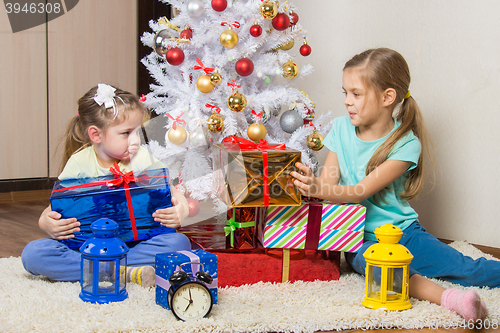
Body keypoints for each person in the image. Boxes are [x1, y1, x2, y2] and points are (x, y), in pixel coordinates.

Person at [292, 48, 500, 322]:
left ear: (388, 97)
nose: (346, 101)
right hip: (359, 240)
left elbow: (360, 192)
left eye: (356, 94)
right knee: (389, 273)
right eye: (345, 92)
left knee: (466, 268)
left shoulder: (406, 143)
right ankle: (452, 300)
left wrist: (318, 188)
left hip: (405, 233)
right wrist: (310, 183)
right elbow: (328, 185)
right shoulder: (341, 129)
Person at [21, 84, 191, 288]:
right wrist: (46, 223)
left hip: (135, 244)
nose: (136, 140)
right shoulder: (79, 163)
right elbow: (58, 206)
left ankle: (94, 271)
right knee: (34, 254)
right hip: (86, 247)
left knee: (178, 244)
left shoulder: (142, 157)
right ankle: (122, 272)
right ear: (96, 135)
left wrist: (181, 209)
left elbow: (172, 193)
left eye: (138, 132)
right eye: (126, 133)